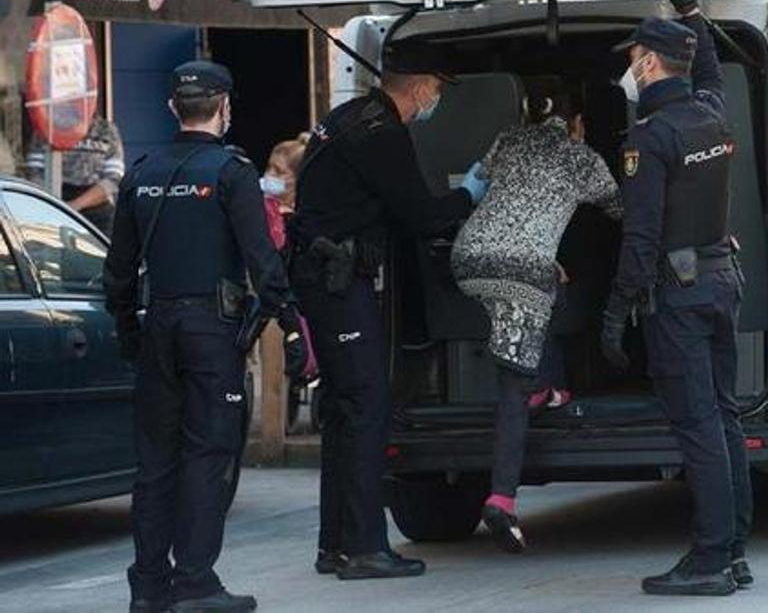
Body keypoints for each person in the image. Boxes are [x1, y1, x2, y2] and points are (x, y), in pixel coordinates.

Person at [103, 60, 310, 613]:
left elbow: (118, 271)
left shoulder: (140, 171)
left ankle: (148, 585)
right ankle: (195, 581)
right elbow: (263, 262)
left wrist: (129, 333)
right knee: (208, 452)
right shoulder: (230, 171)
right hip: (211, 331)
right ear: (224, 108)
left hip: (156, 327)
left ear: (174, 108)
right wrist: (287, 324)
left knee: (155, 462)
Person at [288, 39, 488, 579]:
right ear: (422, 87)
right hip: (336, 282)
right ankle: (364, 549)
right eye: (439, 89)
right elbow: (421, 217)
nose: (437, 99)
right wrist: (470, 193)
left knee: (343, 412)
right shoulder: (382, 135)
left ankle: (336, 545)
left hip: (323, 278)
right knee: (366, 409)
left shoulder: (349, 116)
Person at [600, 0, 752, 596]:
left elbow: (640, 236)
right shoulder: (713, 113)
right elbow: (711, 70)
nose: (629, 66)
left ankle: (711, 559)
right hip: (721, 282)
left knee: (697, 427)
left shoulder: (651, 137)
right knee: (724, 419)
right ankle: (734, 551)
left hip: (679, 297)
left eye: (634, 56)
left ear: (651, 65)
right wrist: (691, 10)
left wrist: (615, 311)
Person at [450, 77, 621, 553]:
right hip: (520, 271)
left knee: (545, 289)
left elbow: (481, 181)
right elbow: (621, 212)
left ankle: (548, 385)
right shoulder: (582, 158)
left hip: (469, 257)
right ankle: (502, 498)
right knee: (512, 383)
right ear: (578, 123)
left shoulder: (510, 139)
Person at [25, 115, 126, 235]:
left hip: (97, 209)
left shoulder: (106, 130)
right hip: (53, 204)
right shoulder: (46, 129)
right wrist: (53, 205)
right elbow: (34, 174)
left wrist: (76, 205)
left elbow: (113, 179)